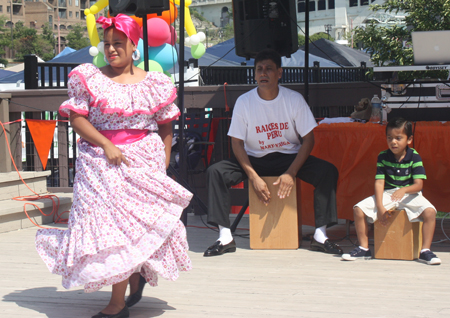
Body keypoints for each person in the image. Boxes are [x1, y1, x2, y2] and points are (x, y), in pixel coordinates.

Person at [35, 14, 193, 318]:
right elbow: (77, 118)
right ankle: (119, 301)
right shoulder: (90, 78)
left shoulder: (155, 83)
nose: (111, 49)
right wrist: (107, 145)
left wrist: (162, 159)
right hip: (100, 163)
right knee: (112, 230)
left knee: (135, 229)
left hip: (142, 161)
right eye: (106, 44)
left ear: (134, 45)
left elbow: (165, 124)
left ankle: (126, 290)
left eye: (118, 43)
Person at [204, 49, 343, 257]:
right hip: (254, 159)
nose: (263, 73)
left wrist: (291, 173)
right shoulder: (244, 101)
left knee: (327, 171)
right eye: (259, 69)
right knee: (216, 172)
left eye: (269, 69)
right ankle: (225, 237)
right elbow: (236, 143)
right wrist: (253, 177)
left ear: (279, 73)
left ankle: (320, 236)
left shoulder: (293, 99)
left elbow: (308, 139)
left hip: (288, 157)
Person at [342, 117, 441, 265]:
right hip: (388, 194)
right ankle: (364, 248)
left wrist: (403, 190)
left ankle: (425, 250)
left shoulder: (415, 156)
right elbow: (379, 182)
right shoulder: (382, 156)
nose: (393, 142)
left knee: (430, 212)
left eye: (398, 138)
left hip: (410, 193)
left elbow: (418, 185)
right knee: (358, 209)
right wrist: (381, 206)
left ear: (409, 140)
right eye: (390, 138)